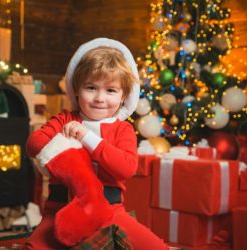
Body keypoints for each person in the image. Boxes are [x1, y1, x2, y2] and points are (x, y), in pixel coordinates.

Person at [25, 38, 168, 249]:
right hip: (60, 207)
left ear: (124, 96)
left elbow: (127, 167)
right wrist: (70, 154)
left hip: (109, 211)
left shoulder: (122, 129)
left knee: (155, 247)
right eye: (91, 88)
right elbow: (34, 143)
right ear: (76, 90)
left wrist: (87, 139)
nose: (99, 98)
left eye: (111, 90)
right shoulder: (66, 119)